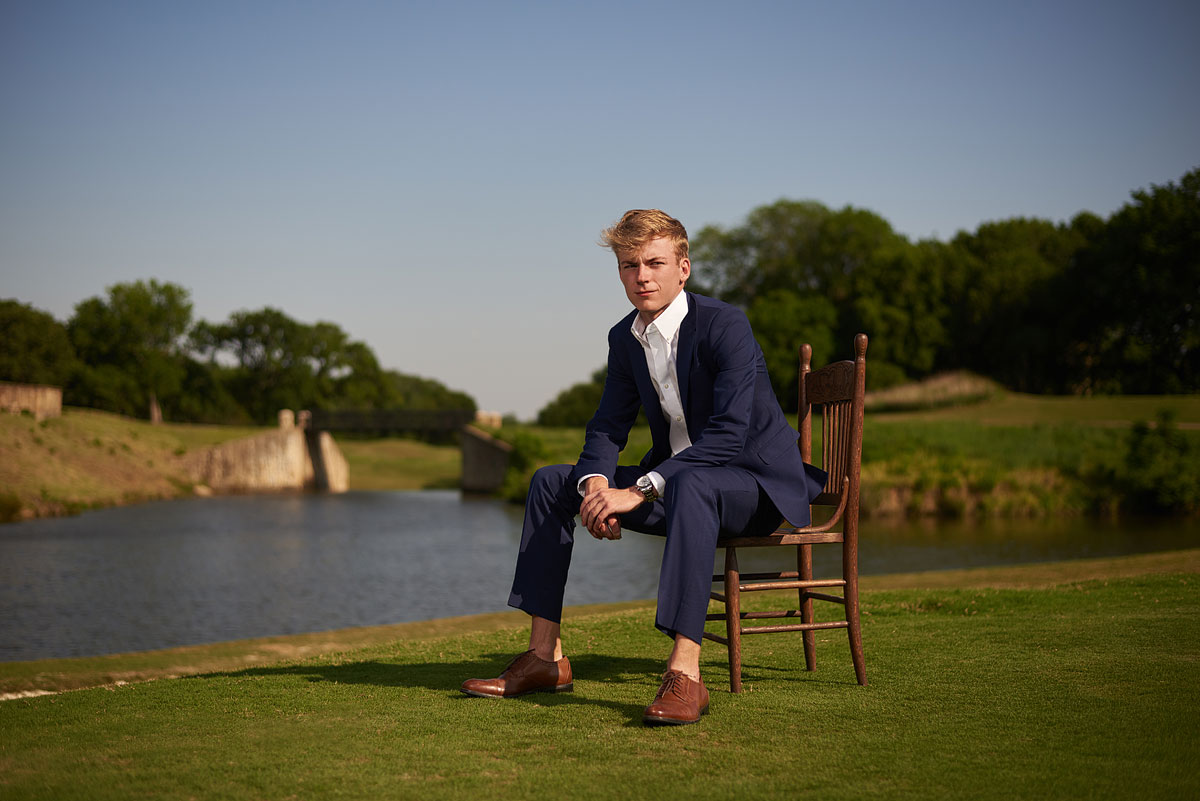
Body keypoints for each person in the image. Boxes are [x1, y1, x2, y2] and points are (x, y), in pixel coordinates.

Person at [461, 209, 826, 725]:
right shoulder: (623, 338)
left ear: (684, 268)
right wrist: (596, 488)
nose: (642, 276)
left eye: (655, 262)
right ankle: (545, 658)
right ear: (619, 273)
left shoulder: (726, 325)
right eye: (630, 265)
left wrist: (640, 490)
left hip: (755, 489)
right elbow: (608, 427)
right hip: (683, 489)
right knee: (551, 481)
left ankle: (686, 675)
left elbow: (726, 436)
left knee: (695, 479)